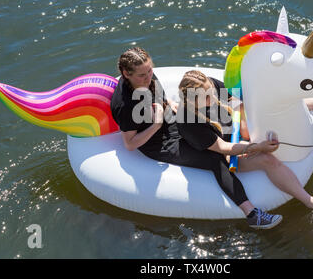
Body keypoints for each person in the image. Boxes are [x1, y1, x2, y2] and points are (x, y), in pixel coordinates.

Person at [110, 47, 282, 229]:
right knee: (214, 158)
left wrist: (173, 106)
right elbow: (130, 144)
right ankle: (252, 214)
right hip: (160, 144)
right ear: (125, 73)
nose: (148, 77)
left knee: (210, 120)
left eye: (150, 71)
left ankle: (243, 147)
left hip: (172, 122)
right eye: (141, 75)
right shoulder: (124, 105)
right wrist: (157, 124)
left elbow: (161, 99)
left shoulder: (148, 78)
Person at [177, 70, 313, 221]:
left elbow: (233, 98)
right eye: (205, 98)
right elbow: (222, 148)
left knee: (264, 104)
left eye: (211, 92)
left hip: (232, 127)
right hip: (222, 150)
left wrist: (243, 118)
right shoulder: (187, 121)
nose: (212, 98)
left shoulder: (211, 84)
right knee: (268, 160)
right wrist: (258, 147)